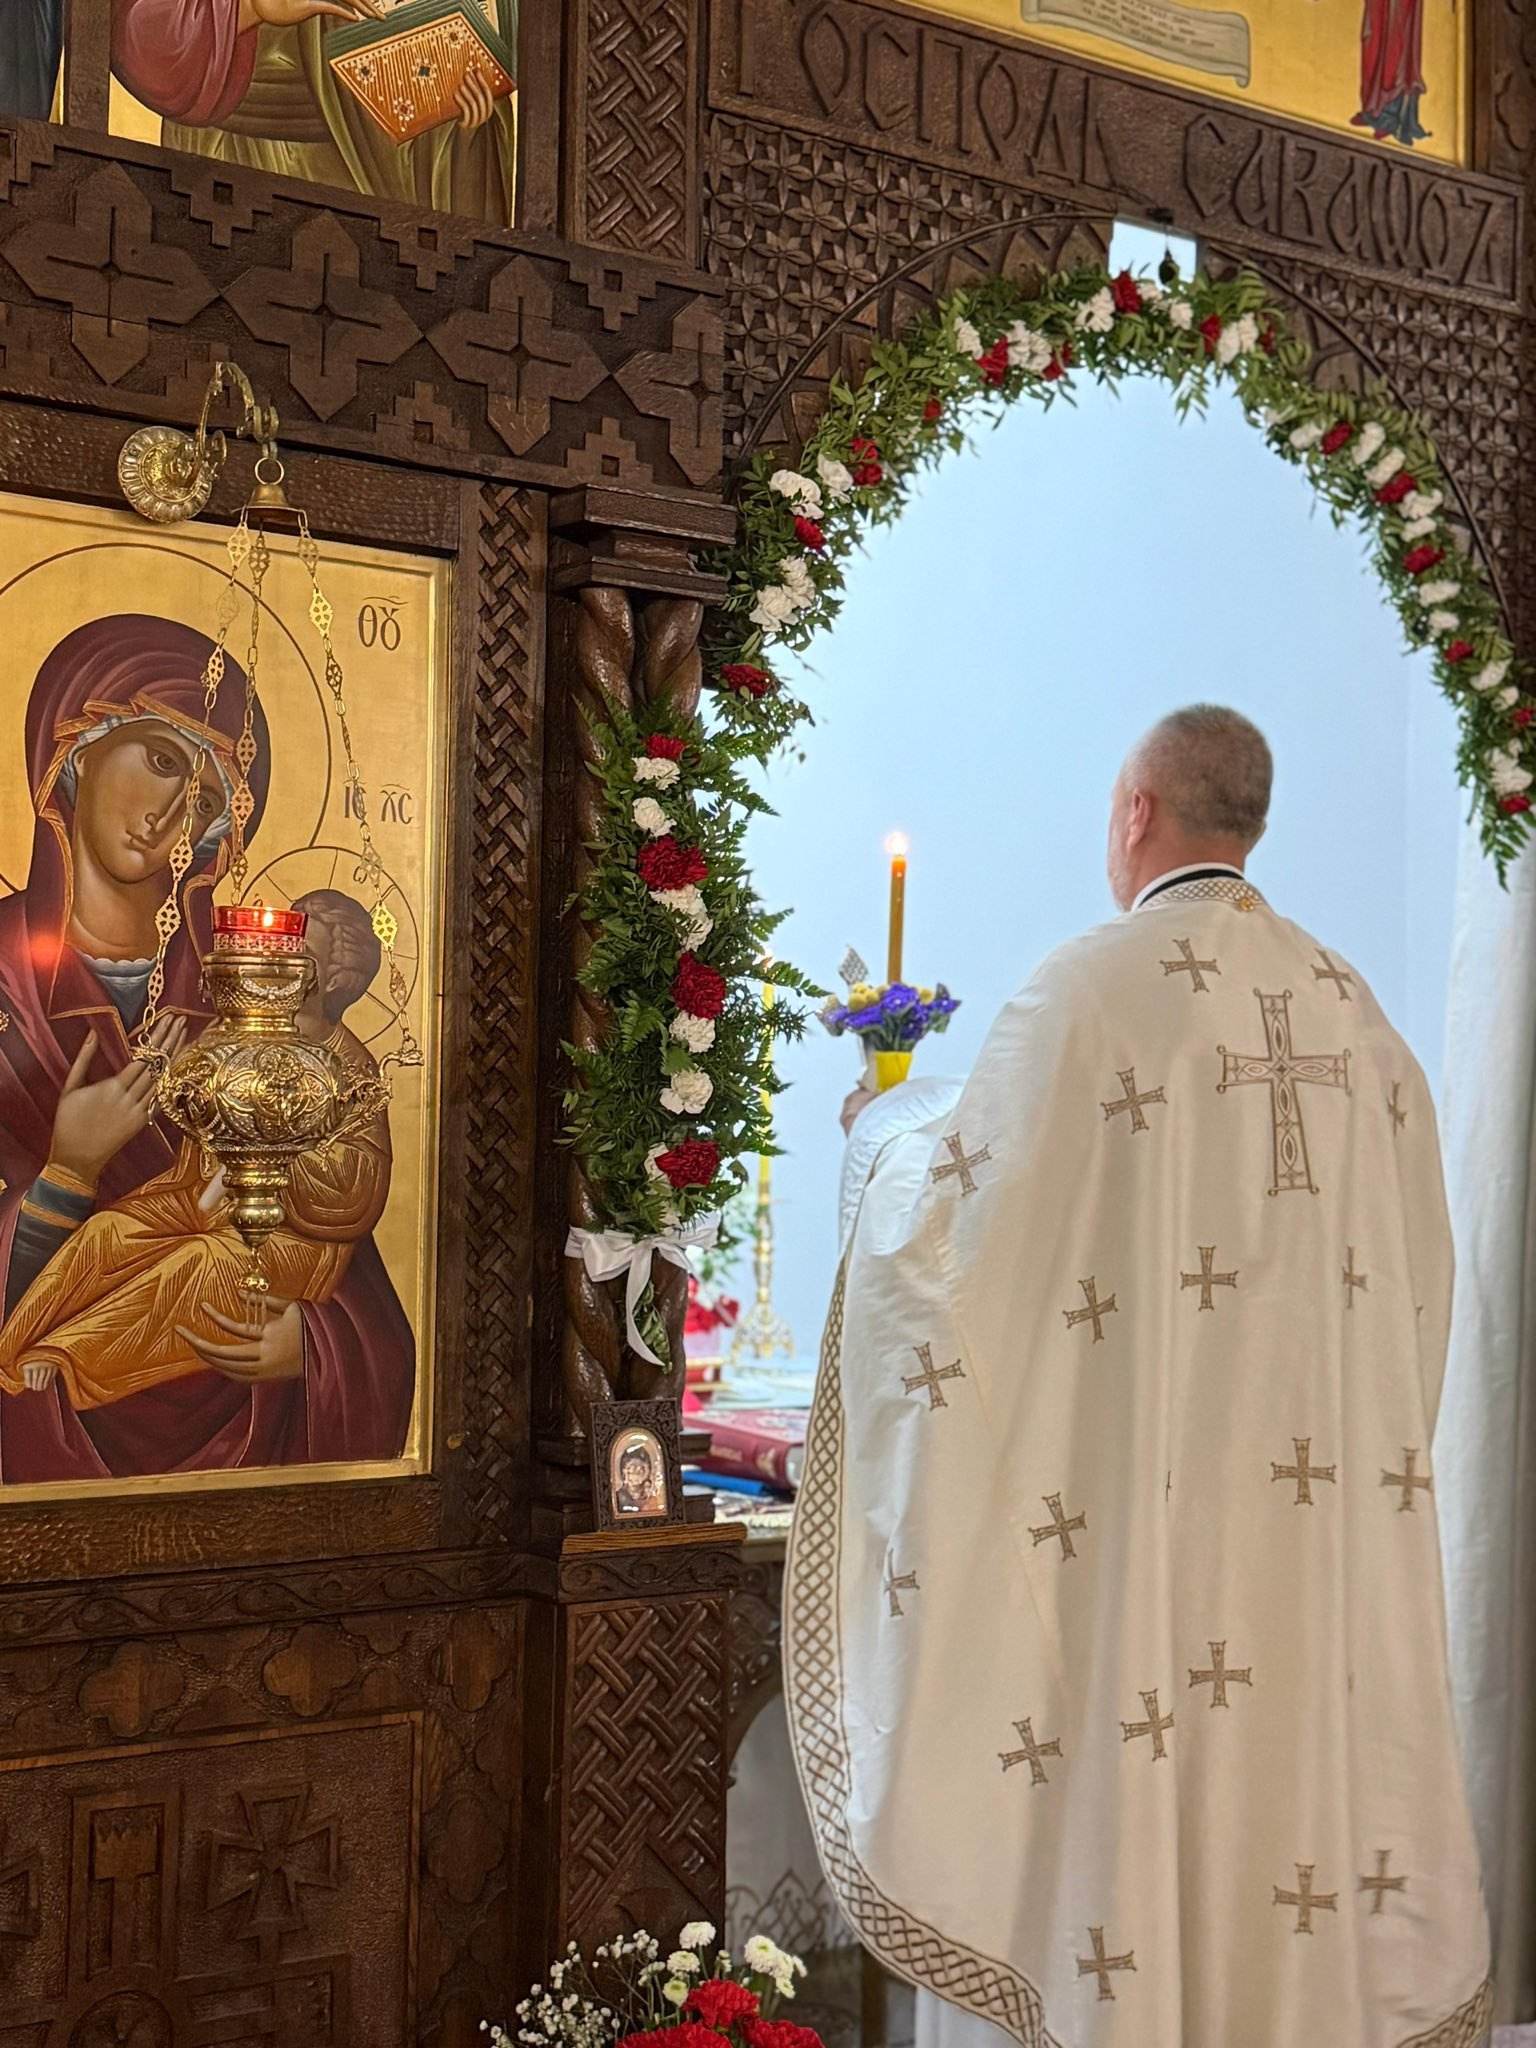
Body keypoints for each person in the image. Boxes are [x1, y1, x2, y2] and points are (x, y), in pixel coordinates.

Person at [787, 706, 1489, 2048]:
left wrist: (879, 1130)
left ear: (1135, 813)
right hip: (1308, 1542)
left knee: (1140, 1781)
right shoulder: (1358, 1015)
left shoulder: (1089, 992)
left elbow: (953, 1237)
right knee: (1288, 1803)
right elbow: (1420, 1287)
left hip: (1139, 1537)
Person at [0, 614, 416, 1482]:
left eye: (204, 799)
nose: (168, 817)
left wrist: (310, 1345)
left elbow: (349, 1264)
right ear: (74, 749)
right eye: (159, 759)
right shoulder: (9, 987)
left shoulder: (250, 997)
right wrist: (68, 1173)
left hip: (243, 1441)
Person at [0, 889, 390, 1411]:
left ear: (334, 979)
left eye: (296, 957)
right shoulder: (238, 1030)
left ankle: (68, 1355)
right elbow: (200, 1116)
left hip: (289, 1236)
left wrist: (275, 1158)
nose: (275, 965)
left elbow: (360, 1181)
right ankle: (13, 1344)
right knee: (108, 1231)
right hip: (198, 1199)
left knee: (195, 1263)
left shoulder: (346, 1065)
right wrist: (171, 1078)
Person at [108, 0, 516, 225]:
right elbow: (136, 39)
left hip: (378, 195)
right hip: (251, 175)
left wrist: (466, 130)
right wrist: (251, 8)